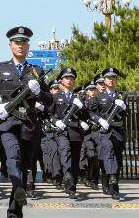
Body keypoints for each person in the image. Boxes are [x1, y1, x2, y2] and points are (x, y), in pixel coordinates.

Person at [0, 26, 52, 218]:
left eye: (24, 42)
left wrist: (39, 93)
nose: (20, 45)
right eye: (16, 42)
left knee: (25, 166)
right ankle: (18, 187)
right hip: (7, 123)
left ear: (28, 46)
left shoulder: (36, 71)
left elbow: (49, 100)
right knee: (13, 156)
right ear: (10, 46)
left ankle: (14, 213)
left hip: (29, 124)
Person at [87, 67, 129, 200]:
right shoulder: (98, 97)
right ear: (104, 80)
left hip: (118, 132)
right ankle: (112, 180)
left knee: (117, 159)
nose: (111, 80)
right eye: (108, 78)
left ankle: (113, 185)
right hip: (104, 132)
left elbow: (128, 113)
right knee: (108, 151)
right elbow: (90, 113)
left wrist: (124, 107)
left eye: (113, 78)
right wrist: (100, 120)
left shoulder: (120, 96)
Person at [50, 68, 87, 198]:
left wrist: (82, 107)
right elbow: (49, 114)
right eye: (67, 78)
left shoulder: (79, 98)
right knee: (65, 151)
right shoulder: (55, 97)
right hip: (62, 131)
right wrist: (55, 122)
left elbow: (86, 115)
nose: (69, 81)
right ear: (61, 81)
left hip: (75, 131)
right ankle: (66, 174)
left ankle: (72, 187)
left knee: (75, 159)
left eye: (71, 78)